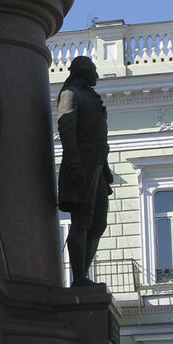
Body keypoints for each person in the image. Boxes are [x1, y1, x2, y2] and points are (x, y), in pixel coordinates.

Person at [57, 56, 113, 286]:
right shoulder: (71, 94)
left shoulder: (89, 95)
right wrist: (75, 164)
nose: (96, 73)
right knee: (82, 222)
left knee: (98, 223)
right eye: (93, 69)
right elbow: (67, 129)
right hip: (81, 167)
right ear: (83, 71)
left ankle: (84, 274)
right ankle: (79, 278)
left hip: (98, 168)